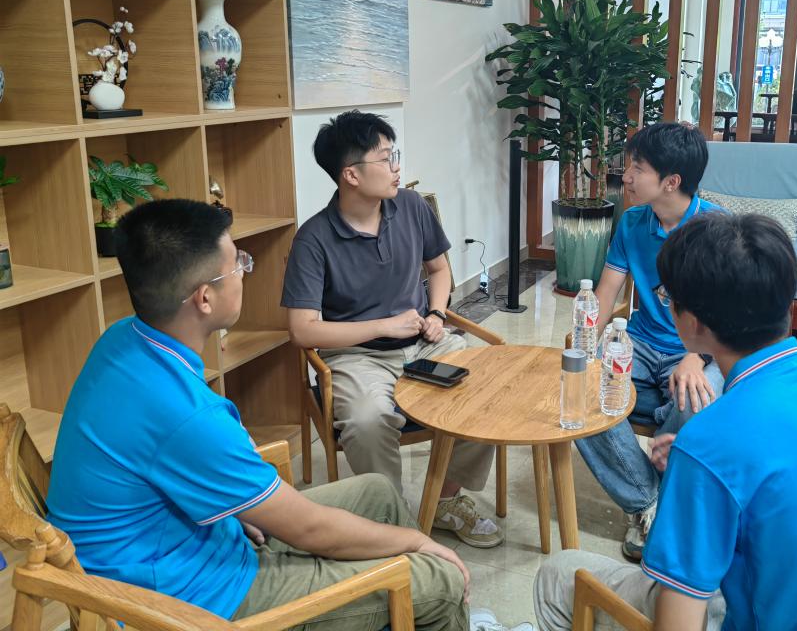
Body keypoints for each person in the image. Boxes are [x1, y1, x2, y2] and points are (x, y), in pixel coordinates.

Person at [46, 199, 474, 630]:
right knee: (439, 578)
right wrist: (417, 542)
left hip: (184, 550)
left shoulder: (124, 339)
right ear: (205, 298)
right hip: (190, 604)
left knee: (379, 494)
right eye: (238, 264)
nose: (244, 272)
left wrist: (235, 510)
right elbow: (309, 530)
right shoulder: (186, 417)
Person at [535, 213, 797, 631]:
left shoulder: (710, 441)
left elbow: (677, 626)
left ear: (691, 323)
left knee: (558, 575)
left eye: (667, 297)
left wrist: (700, 464)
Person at [282, 111, 501, 548]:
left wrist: (436, 314)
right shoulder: (314, 239)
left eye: (394, 155)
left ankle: (445, 499)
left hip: (422, 344)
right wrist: (384, 325)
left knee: (486, 389)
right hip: (355, 356)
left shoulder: (412, 207)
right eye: (386, 158)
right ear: (351, 175)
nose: (397, 167)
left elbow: (439, 270)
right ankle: (393, 519)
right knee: (367, 419)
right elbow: (302, 331)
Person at [576, 121, 724, 560]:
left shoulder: (716, 228)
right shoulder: (632, 222)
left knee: (696, 398)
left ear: (671, 182)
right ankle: (647, 502)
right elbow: (606, 294)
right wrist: (586, 345)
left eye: (637, 169)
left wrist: (697, 357)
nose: (625, 177)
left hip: (695, 348)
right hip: (638, 342)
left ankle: (663, 505)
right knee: (579, 389)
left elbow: (730, 313)